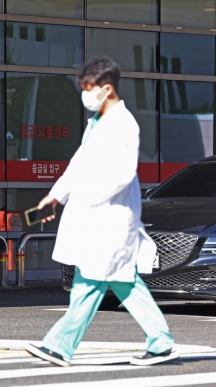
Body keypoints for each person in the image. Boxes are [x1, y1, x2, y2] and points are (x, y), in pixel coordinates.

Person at [26, 56, 178, 367]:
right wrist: (55, 196)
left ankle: (59, 346)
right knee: (122, 282)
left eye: (88, 88)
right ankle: (161, 342)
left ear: (107, 89)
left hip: (111, 218)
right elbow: (78, 165)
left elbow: (122, 174)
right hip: (98, 219)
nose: (85, 95)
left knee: (90, 282)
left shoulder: (123, 124)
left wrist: (86, 199)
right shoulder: (96, 124)